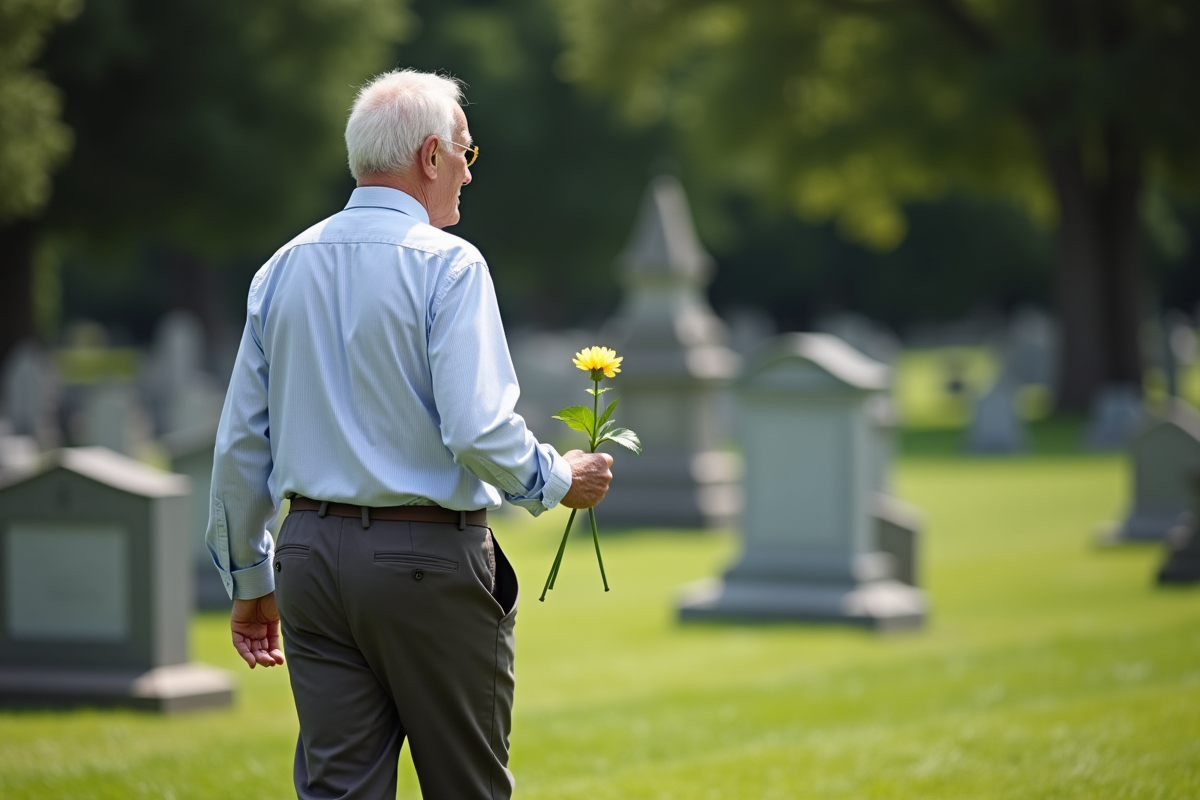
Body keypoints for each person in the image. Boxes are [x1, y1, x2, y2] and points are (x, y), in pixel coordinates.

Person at [206, 69, 614, 800]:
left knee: (339, 792)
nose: (467, 169)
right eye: (465, 152)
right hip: (424, 559)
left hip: (308, 563)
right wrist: (560, 480)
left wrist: (249, 579)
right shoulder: (449, 264)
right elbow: (477, 428)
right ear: (430, 156)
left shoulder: (281, 268)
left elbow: (242, 442)